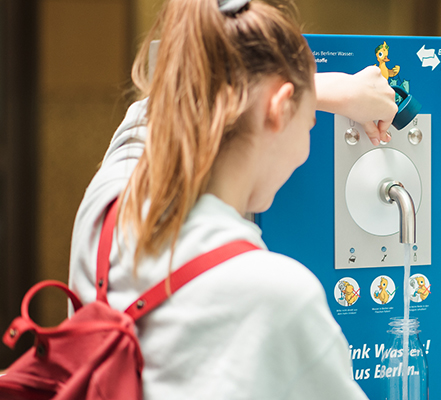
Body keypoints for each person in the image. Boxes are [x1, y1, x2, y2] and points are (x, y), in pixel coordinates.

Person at [67, 0, 396, 398]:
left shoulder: (108, 203)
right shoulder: (278, 295)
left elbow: (160, 108)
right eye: (310, 120)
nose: (306, 144)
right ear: (278, 109)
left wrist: (312, 89)